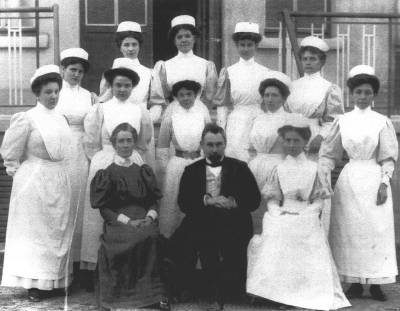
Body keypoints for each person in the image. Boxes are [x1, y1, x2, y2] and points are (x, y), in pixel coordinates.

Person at [246, 118, 351, 310]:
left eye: (296, 141)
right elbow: (273, 198)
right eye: (288, 140)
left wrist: (308, 212)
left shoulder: (314, 168)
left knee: (302, 230)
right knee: (276, 228)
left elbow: (319, 199)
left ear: (305, 142)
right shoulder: (279, 168)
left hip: (306, 214)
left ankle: (302, 293)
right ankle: (278, 293)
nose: (292, 145)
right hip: (284, 212)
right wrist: (276, 212)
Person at [319, 65, 398, 301]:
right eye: (358, 92)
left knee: (375, 230)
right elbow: (329, 154)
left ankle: (375, 283)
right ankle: (352, 281)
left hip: (373, 179)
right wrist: (324, 175)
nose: (362, 97)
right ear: (351, 94)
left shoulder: (381, 122)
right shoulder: (343, 121)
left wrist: (384, 183)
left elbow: (388, 156)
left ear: (374, 94)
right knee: (348, 231)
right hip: (350, 178)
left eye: (367, 92)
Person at [0, 65, 74, 302]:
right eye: (47, 92)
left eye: (56, 91)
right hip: (34, 180)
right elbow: (10, 152)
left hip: (59, 177)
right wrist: (21, 175)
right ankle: (34, 285)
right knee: (36, 233)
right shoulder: (27, 118)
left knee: (57, 230)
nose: (53, 96)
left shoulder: (62, 118)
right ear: (38, 94)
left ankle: (56, 280)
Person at [80, 58, 152, 283]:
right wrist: (101, 162)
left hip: (132, 161)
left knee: (131, 211)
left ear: (133, 87)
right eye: (118, 85)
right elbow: (91, 141)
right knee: (101, 215)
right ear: (110, 86)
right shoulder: (100, 108)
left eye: (127, 85)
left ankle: (129, 267)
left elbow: (144, 140)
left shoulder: (139, 110)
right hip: (104, 162)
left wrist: (132, 159)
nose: (122, 89)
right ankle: (98, 270)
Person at [174, 123, 260, 310]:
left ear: (225, 144)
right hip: (202, 220)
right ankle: (209, 291)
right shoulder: (192, 170)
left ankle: (231, 290)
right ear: (202, 145)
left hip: (233, 220)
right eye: (210, 145)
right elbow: (183, 203)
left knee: (231, 240)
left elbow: (254, 200)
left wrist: (233, 202)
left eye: (219, 144)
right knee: (196, 237)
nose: (214, 149)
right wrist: (206, 200)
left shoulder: (240, 167)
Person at [90, 123, 170, 310]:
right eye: (121, 141)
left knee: (151, 236)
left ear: (134, 142)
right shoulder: (107, 173)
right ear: (114, 144)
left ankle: (155, 295)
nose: (125, 145)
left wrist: (150, 217)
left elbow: (153, 200)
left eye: (129, 140)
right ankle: (118, 297)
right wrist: (127, 221)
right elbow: (104, 209)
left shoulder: (143, 170)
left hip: (143, 219)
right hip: (118, 221)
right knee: (129, 238)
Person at [285, 35, 344, 233]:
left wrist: (321, 137)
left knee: (314, 188)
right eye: (305, 59)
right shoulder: (292, 86)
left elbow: (334, 120)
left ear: (321, 61)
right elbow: (285, 114)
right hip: (292, 140)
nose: (308, 63)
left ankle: (316, 237)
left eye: (313, 59)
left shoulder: (329, 88)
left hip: (316, 141)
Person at [156, 80, 211, 238]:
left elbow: (209, 141)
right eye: (181, 95)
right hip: (177, 164)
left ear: (195, 96)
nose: (186, 98)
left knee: (199, 200)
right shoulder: (171, 118)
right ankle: (172, 240)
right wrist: (165, 168)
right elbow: (162, 146)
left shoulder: (202, 116)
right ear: (176, 97)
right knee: (174, 200)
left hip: (199, 162)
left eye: (189, 94)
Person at [98, 21, 155, 169]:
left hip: (140, 124)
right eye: (126, 45)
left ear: (140, 45)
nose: (130, 49)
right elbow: (103, 101)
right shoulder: (111, 73)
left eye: (134, 44)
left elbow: (156, 102)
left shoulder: (149, 72)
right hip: (115, 122)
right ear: (120, 46)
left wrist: (146, 117)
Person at [56, 47, 93, 270]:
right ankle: (60, 265)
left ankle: (78, 263)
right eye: (72, 69)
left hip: (82, 151)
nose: (76, 74)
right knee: (62, 203)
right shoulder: (54, 93)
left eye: (80, 71)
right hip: (59, 148)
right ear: (62, 69)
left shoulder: (88, 95)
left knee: (80, 203)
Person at [214, 22, 270, 162]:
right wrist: (221, 129)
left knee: (256, 158)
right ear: (237, 46)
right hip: (237, 121)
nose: (245, 49)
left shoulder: (265, 72)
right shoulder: (229, 72)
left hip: (259, 119)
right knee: (236, 157)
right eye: (242, 44)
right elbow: (223, 105)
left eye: (249, 45)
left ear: (256, 46)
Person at [247, 71, 295, 234]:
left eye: (275, 95)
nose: (270, 99)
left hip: (279, 169)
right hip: (255, 168)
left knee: (275, 213)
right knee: (255, 212)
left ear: (283, 98)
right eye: (266, 95)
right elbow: (251, 148)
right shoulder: (257, 119)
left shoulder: (290, 120)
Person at [149, 15, 217, 123]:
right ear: (174, 40)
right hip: (174, 115)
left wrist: (199, 110)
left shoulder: (206, 65)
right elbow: (162, 96)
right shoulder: (164, 66)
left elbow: (210, 96)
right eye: (179, 37)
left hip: (199, 114)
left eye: (187, 36)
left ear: (194, 38)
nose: (184, 40)